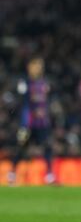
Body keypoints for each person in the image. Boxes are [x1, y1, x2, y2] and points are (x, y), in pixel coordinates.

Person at [9, 57, 55, 185]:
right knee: (21, 147)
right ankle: (12, 174)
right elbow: (21, 100)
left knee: (47, 146)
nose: (39, 68)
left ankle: (49, 176)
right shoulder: (24, 82)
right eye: (37, 65)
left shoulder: (44, 83)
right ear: (30, 67)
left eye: (41, 66)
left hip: (42, 122)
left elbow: (45, 101)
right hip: (27, 122)